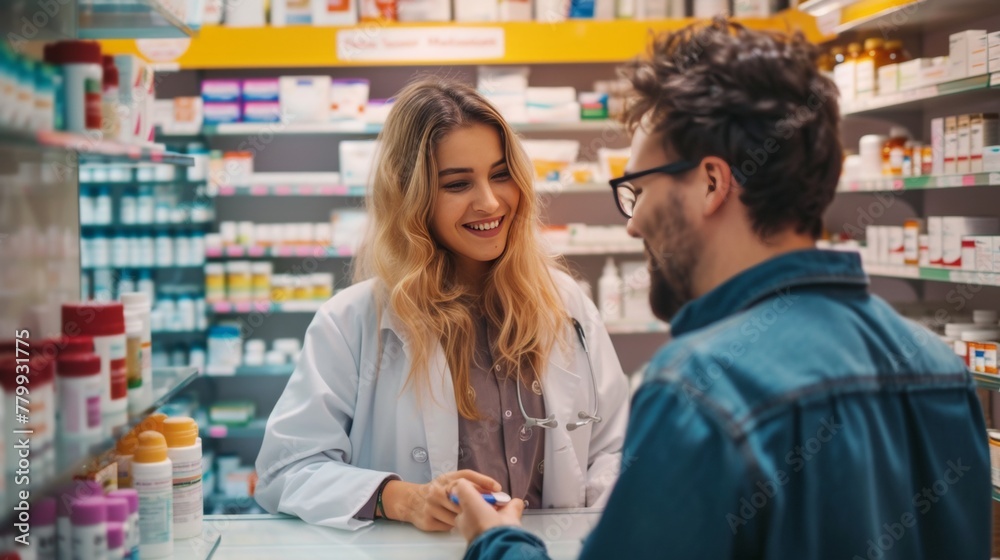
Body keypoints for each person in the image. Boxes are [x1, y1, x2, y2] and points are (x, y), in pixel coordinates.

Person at [452, 18, 991, 559]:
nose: (633, 225)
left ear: (711, 182)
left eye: (636, 189)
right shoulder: (935, 367)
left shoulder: (700, 389)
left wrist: (495, 543)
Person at [254, 78, 630, 532]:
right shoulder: (353, 321)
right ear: (411, 198)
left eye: (500, 174)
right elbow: (285, 471)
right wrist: (403, 499)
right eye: (457, 184)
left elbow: (615, 447)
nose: (490, 202)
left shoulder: (566, 303)